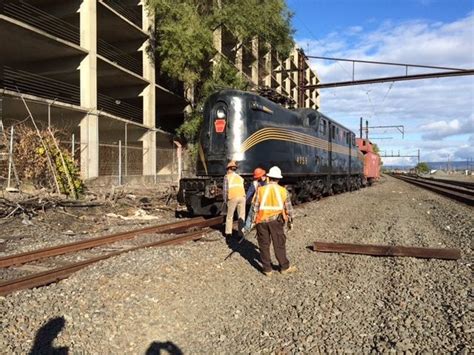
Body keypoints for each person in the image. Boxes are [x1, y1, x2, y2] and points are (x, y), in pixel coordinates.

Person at [251, 166, 296, 276]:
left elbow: (255, 207)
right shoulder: (283, 191)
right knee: (279, 243)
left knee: (264, 245)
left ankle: (267, 269)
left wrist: (253, 221)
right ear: (278, 179)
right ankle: (284, 267)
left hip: (261, 221)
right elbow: (289, 208)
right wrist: (291, 221)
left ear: (269, 177)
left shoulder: (260, 190)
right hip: (276, 221)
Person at [222, 160, 246, 238]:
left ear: (229, 169)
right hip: (242, 197)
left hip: (233, 197)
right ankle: (241, 233)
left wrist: (225, 201)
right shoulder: (240, 177)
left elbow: (225, 190)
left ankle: (228, 233)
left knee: (230, 216)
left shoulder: (226, 177)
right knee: (241, 216)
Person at [242, 168, 268, 235]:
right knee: (252, 214)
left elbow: (250, 193)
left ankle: (247, 228)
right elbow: (250, 192)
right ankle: (247, 228)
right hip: (259, 201)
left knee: (251, 213)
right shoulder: (257, 182)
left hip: (263, 202)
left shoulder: (268, 182)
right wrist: (245, 200)